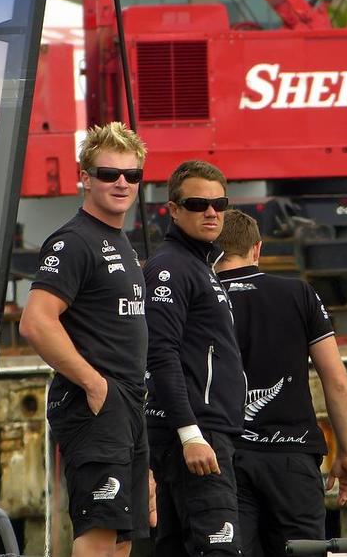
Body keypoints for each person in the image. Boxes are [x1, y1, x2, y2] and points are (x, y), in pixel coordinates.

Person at [19, 121, 151, 557]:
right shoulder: (75, 241)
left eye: (131, 175)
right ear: (85, 178)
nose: (121, 183)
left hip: (127, 407)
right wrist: (94, 385)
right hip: (97, 407)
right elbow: (36, 322)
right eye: (108, 173)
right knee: (97, 536)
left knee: (121, 540)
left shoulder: (121, 242)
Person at [215, 209, 347, 557]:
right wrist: (346, 451)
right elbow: (336, 380)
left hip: (226, 456)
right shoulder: (299, 294)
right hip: (292, 456)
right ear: (257, 249)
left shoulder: (203, 298)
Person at [143, 160, 245, 556]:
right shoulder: (171, 267)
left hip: (204, 431)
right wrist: (190, 434)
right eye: (198, 203)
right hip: (194, 436)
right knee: (217, 548)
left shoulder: (199, 266)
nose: (211, 212)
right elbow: (160, 352)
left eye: (220, 203)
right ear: (173, 208)